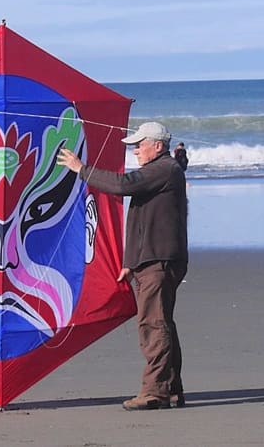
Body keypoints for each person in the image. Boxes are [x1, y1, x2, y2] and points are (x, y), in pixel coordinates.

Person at [57, 121, 188, 411]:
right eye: (135, 146)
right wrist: (131, 262)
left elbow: (121, 185)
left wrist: (82, 169)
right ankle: (171, 389)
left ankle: (155, 392)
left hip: (160, 260)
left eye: (140, 145)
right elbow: (141, 222)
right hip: (150, 258)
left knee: (154, 324)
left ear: (158, 146)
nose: (136, 151)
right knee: (161, 322)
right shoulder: (158, 172)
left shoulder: (164, 169)